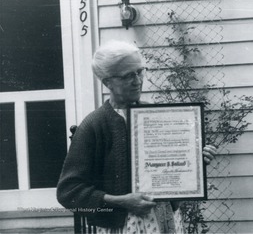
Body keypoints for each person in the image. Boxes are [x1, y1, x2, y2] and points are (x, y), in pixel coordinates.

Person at [56, 40, 217, 233]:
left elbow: (170, 173)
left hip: (165, 220)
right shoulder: (94, 125)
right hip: (122, 226)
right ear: (107, 82)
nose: (138, 81)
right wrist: (121, 201)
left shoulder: (157, 116)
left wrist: (194, 163)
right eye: (127, 76)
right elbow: (68, 192)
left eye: (139, 72)